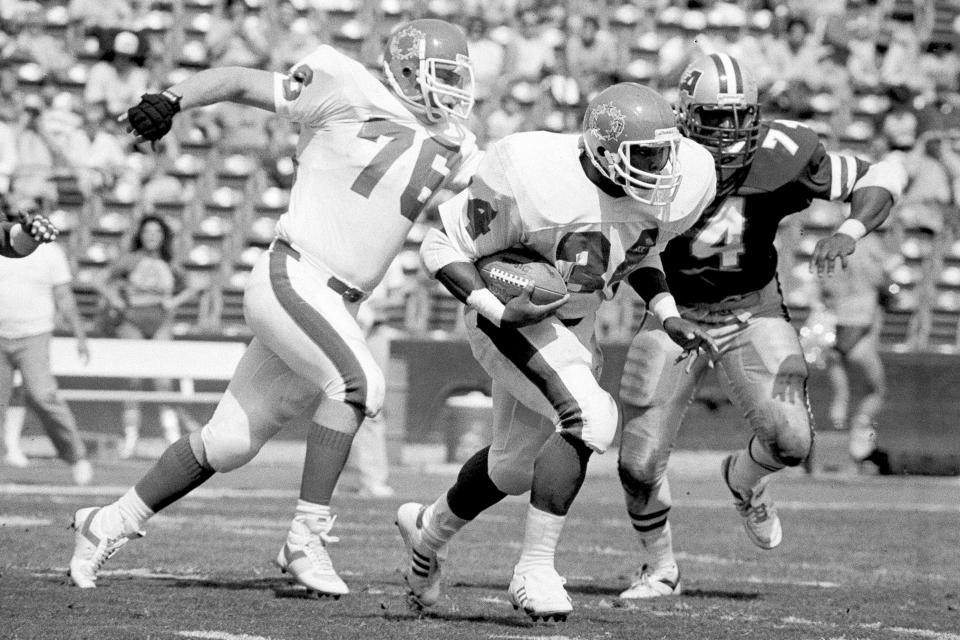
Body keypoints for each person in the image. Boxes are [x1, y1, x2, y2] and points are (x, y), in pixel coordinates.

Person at [68, 18, 480, 594]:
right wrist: (171, 99)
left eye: (461, 76)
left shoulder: (456, 143)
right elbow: (238, 78)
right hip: (295, 272)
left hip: (339, 304)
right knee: (360, 384)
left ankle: (107, 521)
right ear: (407, 69)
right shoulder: (343, 83)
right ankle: (305, 539)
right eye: (445, 75)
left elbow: (484, 211)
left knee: (228, 443)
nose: (456, 88)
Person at [398, 82, 718, 621]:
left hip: (574, 330)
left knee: (513, 468)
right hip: (512, 319)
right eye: (645, 155)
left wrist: (667, 311)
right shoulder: (530, 174)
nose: (661, 167)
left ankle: (425, 537)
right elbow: (440, 245)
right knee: (592, 416)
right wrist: (498, 310)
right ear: (600, 149)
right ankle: (536, 571)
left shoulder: (680, 184)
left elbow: (636, 253)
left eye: (665, 152)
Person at [615, 53, 906, 600]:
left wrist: (850, 227)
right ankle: (659, 569)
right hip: (671, 313)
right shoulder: (656, 153)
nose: (728, 131)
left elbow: (884, 175)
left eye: (738, 115)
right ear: (683, 114)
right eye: (714, 117)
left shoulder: (783, 152)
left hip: (752, 308)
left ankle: (744, 480)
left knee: (792, 442)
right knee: (638, 461)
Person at [95, 215, 201, 459]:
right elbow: (100, 280)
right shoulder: (130, 260)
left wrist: (173, 301)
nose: (152, 236)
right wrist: (115, 299)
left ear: (163, 236)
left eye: (157, 232)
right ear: (140, 235)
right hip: (131, 321)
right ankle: (130, 440)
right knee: (133, 379)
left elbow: (194, 285)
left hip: (161, 322)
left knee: (163, 380)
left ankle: (172, 439)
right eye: (147, 231)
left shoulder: (170, 263)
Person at [0, 231, 92, 485]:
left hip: (34, 335)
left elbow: (64, 296)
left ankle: (76, 456)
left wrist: (80, 336)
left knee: (43, 396)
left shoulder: (50, 252)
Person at [818, 230, 898, 472]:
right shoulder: (869, 243)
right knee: (876, 391)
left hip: (833, 321)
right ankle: (859, 446)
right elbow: (877, 278)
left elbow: (824, 285)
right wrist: (891, 292)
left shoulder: (831, 242)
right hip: (858, 327)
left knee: (841, 395)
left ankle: (834, 449)